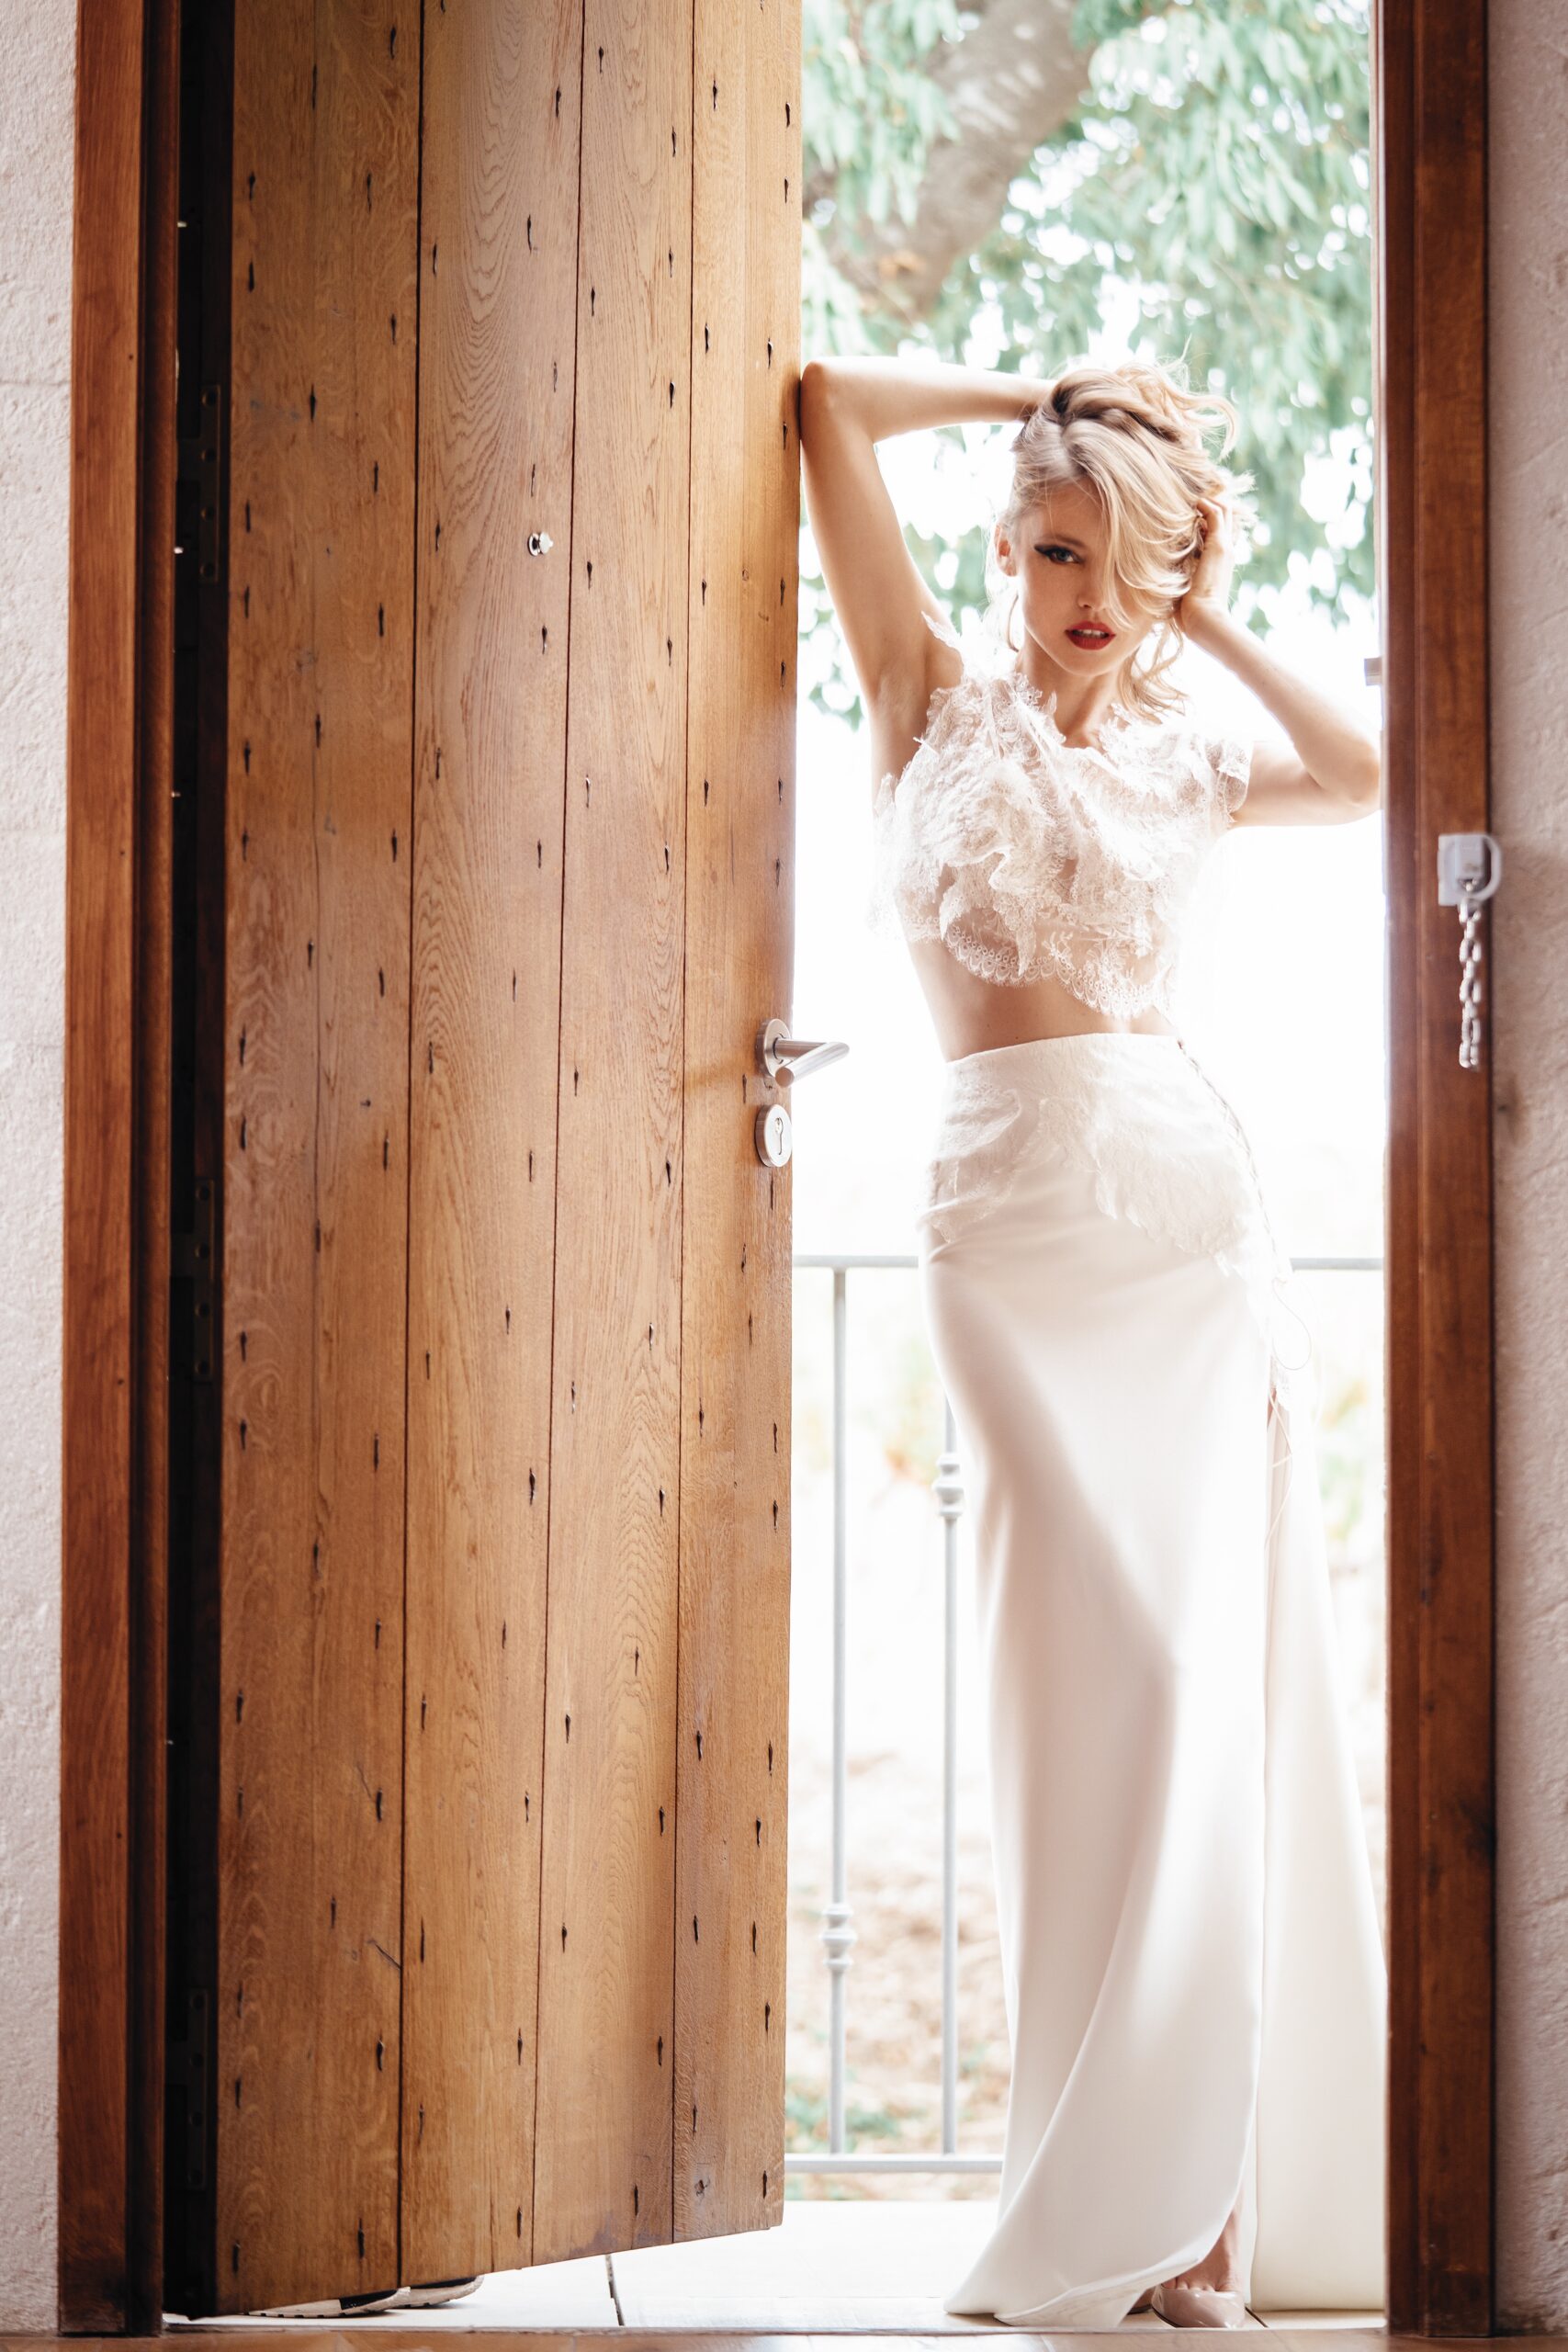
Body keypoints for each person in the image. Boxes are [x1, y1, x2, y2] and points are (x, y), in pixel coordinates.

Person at [798, 354, 1386, 2330]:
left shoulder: (1185, 746)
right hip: (1004, 1229)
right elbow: (824, 403)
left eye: (1119, 564)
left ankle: (1188, 2208)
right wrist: (1039, 405)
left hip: (1177, 1229)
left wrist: (1191, 601)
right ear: (1003, 549)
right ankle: (1105, 2187)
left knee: (1190, 1681)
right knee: (1086, 1683)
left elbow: (1363, 772)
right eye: (1054, 553)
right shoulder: (921, 700)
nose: (1082, 595)